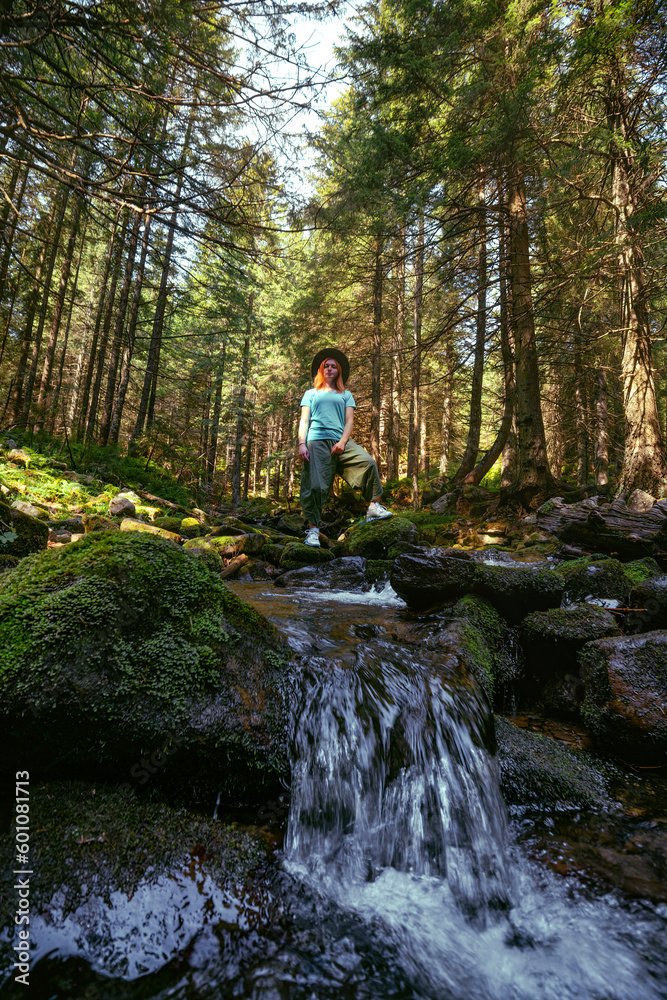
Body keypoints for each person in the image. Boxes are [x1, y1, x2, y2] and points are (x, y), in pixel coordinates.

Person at [298, 348, 393, 547]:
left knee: (367, 462)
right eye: (326, 366)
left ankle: (374, 507)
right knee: (316, 486)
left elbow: (349, 422)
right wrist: (301, 444)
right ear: (320, 371)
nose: (330, 369)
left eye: (334, 366)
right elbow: (304, 420)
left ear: (339, 371)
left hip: (340, 441)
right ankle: (313, 531)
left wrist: (342, 442)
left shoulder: (346, 395)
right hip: (316, 442)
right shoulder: (311, 394)